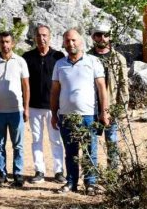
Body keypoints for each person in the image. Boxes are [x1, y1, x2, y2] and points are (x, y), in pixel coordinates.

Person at [50, 29, 109, 195]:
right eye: (67, 41)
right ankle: (71, 182)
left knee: (90, 151)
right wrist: (54, 114)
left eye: (74, 40)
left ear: (81, 42)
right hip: (66, 116)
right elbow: (55, 91)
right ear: (64, 43)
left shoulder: (93, 62)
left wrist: (104, 112)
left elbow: (102, 88)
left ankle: (90, 183)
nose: (71, 44)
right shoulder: (59, 64)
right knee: (70, 152)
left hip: (88, 116)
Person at [0, 31, 30, 188]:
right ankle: (1, 174)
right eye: (2, 42)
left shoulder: (20, 62)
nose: (5, 45)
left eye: (7, 41)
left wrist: (26, 108)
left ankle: (18, 174)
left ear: (13, 43)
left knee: (18, 145)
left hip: (16, 110)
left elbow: (26, 86)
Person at [24, 24, 66, 184]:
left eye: (44, 35)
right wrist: (25, 106)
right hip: (34, 106)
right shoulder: (27, 57)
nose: (42, 38)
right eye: (39, 35)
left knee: (56, 139)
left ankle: (59, 171)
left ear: (49, 36)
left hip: (53, 107)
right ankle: (39, 170)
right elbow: (24, 84)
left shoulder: (58, 57)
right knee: (36, 139)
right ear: (34, 37)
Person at [90, 21, 129, 171]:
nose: (102, 38)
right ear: (94, 37)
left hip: (112, 106)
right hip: (92, 106)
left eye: (106, 35)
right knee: (91, 141)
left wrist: (122, 107)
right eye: (99, 35)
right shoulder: (87, 57)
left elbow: (123, 85)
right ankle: (91, 175)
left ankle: (112, 174)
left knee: (112, 141)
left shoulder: (118, 58)